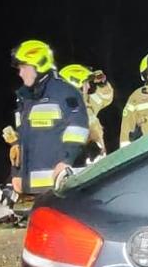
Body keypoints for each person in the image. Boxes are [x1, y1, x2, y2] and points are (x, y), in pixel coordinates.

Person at [9, 39, 89, 197]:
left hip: (60, 188)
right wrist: (16, 174)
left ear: (40, 65)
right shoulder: (25, 98)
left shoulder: (65, 93)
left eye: (24, 67)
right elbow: (22, 141)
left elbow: (78, 129)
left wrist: (66, 161)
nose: (20, 73)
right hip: (30, 191)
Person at [58, 64, 112, 158]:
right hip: (71, 169)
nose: (88, 87)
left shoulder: (87, 104)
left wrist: (102, 84)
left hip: (98, 164)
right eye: (85, 83)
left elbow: (106, 97)